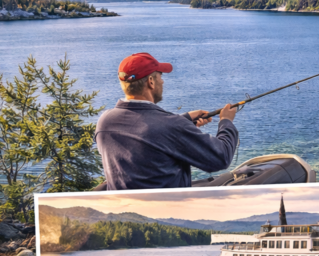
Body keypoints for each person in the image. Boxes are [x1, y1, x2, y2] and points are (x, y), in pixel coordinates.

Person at [95, 52, 239, 190]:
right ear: (151, 82)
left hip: (123, 211)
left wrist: (185, 120)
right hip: (167, 211)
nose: (162, 81)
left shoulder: (105, 122)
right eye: (160, 76)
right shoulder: (172, 126)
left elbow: (144, 131)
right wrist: (226, 121)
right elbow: (221, 157)